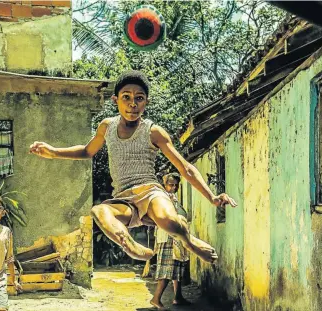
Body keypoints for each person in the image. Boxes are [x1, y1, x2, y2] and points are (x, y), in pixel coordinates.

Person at [29, 70, 237, 264]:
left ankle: (188, 240)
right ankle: (127, 243)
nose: (132, 104)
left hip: (150, 192)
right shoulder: (106, 127)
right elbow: (86, 151)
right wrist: (54, 152)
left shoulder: (153, 132)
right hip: (124, 199)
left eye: (139, 98)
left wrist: (212, 197)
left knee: (168, 221)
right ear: (115, 100)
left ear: (146, 102)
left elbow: (185, 168)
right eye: (126, 97)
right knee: (99, 210)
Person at [151, 173, 191, 309]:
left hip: (176, 237)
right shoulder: (162, 198)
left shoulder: (173, 198)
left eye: (176, 185)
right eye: (171, 185)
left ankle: (178, 297)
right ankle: (156, 299)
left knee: (177, 268)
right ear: (165, 185)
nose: (174, 187)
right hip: (168, 237)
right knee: (168, 269)